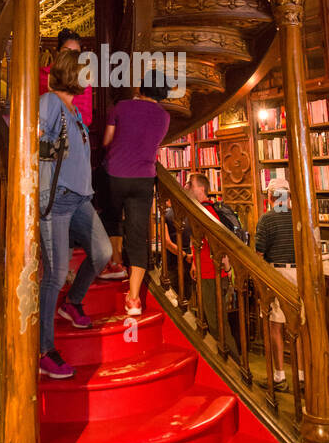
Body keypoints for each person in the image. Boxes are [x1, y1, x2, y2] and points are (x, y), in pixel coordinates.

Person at [38, 47, 111, 379]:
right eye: (86, 72)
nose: (90, 79)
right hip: (58, 199)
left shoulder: (74, 111)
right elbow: (33, 138)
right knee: (53, 275)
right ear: (71, 73)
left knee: (102, 252)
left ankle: (73, 302)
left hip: (82, 199)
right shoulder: (51, 102)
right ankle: (45, 350)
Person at [101, 71, 171, 315]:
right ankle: (133, 300)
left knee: (111, 218)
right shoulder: (164, 116)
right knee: (138, 234)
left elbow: (106, 141)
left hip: (116, 174)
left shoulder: (121, 106)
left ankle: (116, 263)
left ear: (142, 87)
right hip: (144, 179)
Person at [254, 176, 300, 393]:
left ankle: (279, 375)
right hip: (300, 274)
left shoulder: (267, 219)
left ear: (270, 197)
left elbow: (258, 254)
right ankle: (301, 376)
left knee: (276, 326)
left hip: (277, 273)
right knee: (299, 326)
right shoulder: (298, 217)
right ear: (288, 196)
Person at [186, 173, 239, 356]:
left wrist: (226, 268)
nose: (186, 187)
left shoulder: (207, 210)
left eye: (190, 184)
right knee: (212, 320)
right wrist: (195, 261)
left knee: (218, 323)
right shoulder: (200, 209)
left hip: (212, 274)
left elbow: (218, 241)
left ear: (201, 189)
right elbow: (199, 240)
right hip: (205, 271)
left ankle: (234, 364)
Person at [38, 27, 93, 126]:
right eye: (66, 51)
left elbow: (86, 118)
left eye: (75, 53)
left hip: (72, 131)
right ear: (58, 52)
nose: (69, 56)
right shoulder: (40, 75)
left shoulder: (84, 80)